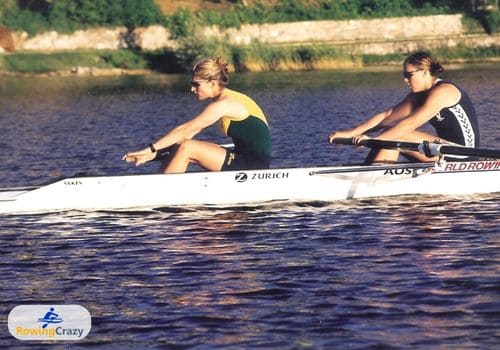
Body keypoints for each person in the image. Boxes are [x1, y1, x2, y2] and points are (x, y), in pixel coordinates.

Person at [123, 57, 272, 173]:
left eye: (196, 84)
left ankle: (160, 195)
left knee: (187, 148)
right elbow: (187, 134)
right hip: (241, 156)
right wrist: (153, 155)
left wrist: (148, 149)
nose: (192, 89)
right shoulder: (224, 100)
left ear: (212, 83)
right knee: (182, 144)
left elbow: (186, 129)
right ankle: (159, 185)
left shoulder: (224, 104)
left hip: (254, 164)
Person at [328, 51, 479, 164]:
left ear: (425, 72)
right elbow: (387, 117)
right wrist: (351, 133)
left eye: (409, 75)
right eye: (404, 75)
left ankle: (370, 179)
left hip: (463, 154)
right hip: (441, 149)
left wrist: (374, 140)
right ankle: (369, 174)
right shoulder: (418, 95)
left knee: (396, 135)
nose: (405, 80)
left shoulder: (443, 92)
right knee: (391, 133)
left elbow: (409, 124)